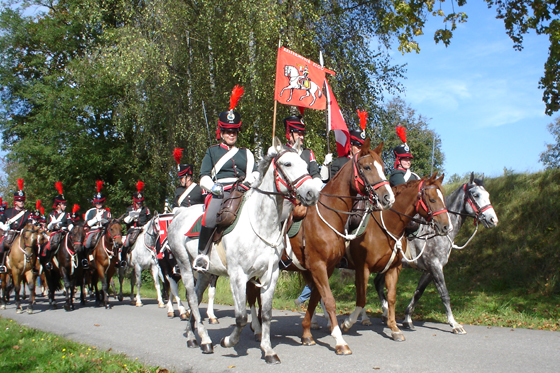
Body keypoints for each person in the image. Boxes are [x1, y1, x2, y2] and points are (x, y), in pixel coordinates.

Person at [194, 85, 258, 271]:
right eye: (228, 131)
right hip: (220, 192)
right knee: (211, 216)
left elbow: (254, 173)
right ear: (221, 132)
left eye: (234, 131)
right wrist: (213, 187)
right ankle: (202, 255)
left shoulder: (246, 153)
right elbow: (203, 176)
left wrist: (247, 184)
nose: (231, 134)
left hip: (244, 190)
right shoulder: (212, 151)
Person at [321, 110, 368, 182]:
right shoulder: (340, 162)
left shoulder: (366, 164)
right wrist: (325, 165)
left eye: (362, 147)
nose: (360, 150)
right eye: (358, 147)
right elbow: (326, 180)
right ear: (351, 146)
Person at [0, 179, 33, 274]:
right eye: (19, 200)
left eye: (22, 200)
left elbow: (30, 223)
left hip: (21, 234)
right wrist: (4, 226)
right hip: (10, 233)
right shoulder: (8, 211)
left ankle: (34, 265)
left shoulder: (28, 213)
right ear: (15, 201)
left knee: (33, 246)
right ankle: (1, 265)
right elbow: (1, 221)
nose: (21, 202)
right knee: (2, 246)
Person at [121, 181, 151, 267]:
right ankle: (123, 261)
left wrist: (145, 226)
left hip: (143, 229)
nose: (139, 204)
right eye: (137, 202)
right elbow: (125, 221)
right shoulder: (129, 208)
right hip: (132, 229)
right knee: (126, 243)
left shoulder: (146, 209)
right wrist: (131, 217)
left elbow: (150, 220)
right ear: (134, 201)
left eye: (140, 202)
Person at [82, 180, 112, 268]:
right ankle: (85, 259)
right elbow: (87, 223)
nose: (98, 204)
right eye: (97, 203)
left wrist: (103, 221)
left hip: (103, 230)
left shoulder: (107, 212)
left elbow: (109, 222)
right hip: (93, 230)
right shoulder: (90, 211)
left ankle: (116, 259)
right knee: (87, 243)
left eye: (100, 202)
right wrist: (96, 219)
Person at [42, 182, 70, 270]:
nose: (65, 206)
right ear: (58, 205)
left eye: (65, 204)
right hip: (55, 233)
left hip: (65, 233)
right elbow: (48, 228)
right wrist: (52, 223)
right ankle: (49, 261)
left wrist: (69, 227)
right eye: (63, 204)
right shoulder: (51, 214)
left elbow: (69, 224)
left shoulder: (67, 214)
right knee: (51, 245)